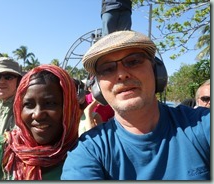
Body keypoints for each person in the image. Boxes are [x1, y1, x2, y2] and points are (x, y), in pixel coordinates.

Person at [61, 30, 210, 180]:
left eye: (133, 62)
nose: (121, 74)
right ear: (97, 88)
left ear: (156, 71)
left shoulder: (202, 124)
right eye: (107, 69)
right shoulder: (89, 150)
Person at [0, 64, 80, 180]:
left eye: (50, 103)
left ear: (69, 107)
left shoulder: (87, 155)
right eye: (28, 105)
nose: (37, 114)